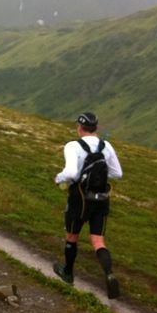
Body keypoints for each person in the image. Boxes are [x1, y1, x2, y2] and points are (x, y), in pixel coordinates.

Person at [53, 112, 123, 298]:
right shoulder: (106, 146)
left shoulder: (73, 146)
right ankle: (109, 274)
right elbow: (117, 173)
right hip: (101, 199)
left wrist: (58, 178)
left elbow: (70, 173)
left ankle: (68, 273)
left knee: (72, 236)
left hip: (80, 198)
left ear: (79, 128)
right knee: (98, 241)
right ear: (96, 128)